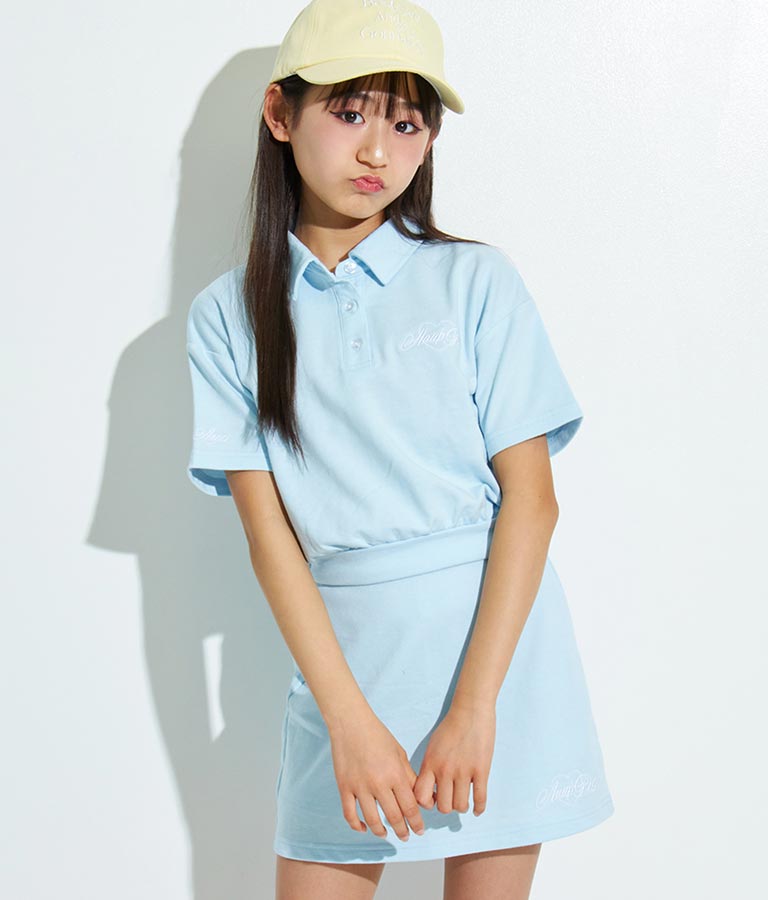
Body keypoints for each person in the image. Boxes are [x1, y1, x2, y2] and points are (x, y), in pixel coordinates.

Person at [185, 0, 615, 896]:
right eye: (349, 114)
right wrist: (346, 722)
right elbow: (271, 541)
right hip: (345, 676)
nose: (378, 151)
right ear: (280, 114)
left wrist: (475, 707)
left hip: (496, 664)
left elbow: (532, 501)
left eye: (407, 124)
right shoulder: (228, 317)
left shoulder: (475, 280)